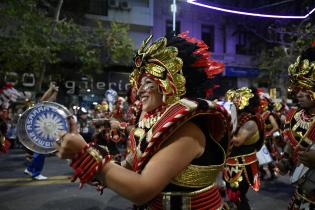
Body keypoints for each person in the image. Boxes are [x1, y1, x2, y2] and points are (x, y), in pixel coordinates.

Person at [55, 32, 234, 209]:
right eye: (139, 84)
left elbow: (141, 190)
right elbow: (129, 167)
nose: (139, 90)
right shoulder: (158, 124)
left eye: (147, 83)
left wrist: (87, 156)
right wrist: (89, 154)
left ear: (169, 85)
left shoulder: (187, 131)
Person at [278, 46, 315, 209]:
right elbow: (290, 146)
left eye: (305, 89)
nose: (298, 94)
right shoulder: (294, 115)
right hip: (300, 195)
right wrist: (285, 160)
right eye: (298, 89)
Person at [223, 87, 264, 210]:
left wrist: (220, 130)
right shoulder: (240, 117)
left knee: (238, 197)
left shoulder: (251, 121)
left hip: (243, 166)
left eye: (237, 98)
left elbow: (237, 141)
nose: (234, 101)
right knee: (234, 198)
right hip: (233, 164)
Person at [24, 82, 59, 180]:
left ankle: (30, 169)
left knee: (38, 153)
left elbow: (51, 100)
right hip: (39, 133)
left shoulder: (43, 106)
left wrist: (54, 91)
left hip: (40, 132)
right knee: (41, 153)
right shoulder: (40, 105)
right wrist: (51, 89)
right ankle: (36, 173)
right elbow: (45, 99)